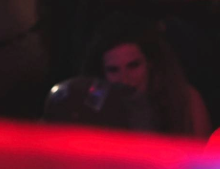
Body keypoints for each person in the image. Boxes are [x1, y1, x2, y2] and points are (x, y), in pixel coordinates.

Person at [82, 13, 211, 137]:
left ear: (151, 63)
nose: (125, 79)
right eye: (113, 70)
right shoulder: (92, 110)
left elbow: (202, 156)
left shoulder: (184, 100)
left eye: (133, 66)